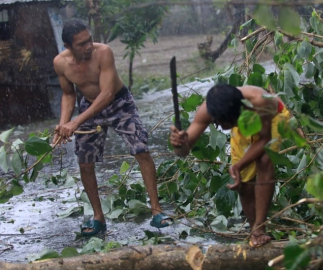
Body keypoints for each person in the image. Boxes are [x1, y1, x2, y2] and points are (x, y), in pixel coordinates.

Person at [53, 19, 171, 236]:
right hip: (88, 106)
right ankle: (99, 217)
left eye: (89, 40)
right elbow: (69, 94)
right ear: (68, 47)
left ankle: (157, 210)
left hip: (118, 102)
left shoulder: (103, 52)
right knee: (85, 162)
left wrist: (75, 122)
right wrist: (63, 124)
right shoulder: (60, 63)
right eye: (81, 44)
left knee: (141, 150)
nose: (88, 46)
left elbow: (107, 94)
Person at [169, 84, 289, 247]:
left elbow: (264, 139)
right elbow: (183, 152)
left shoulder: (259, 101)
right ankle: (254, 230)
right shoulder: (207, 111)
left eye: (228, 122)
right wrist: (179, 144)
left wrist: (238, 165)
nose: (222, 127)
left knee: (264, 160)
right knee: (244, 184)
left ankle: (260, 228)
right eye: (220, 122)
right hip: (245, 124)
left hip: (272, 117)